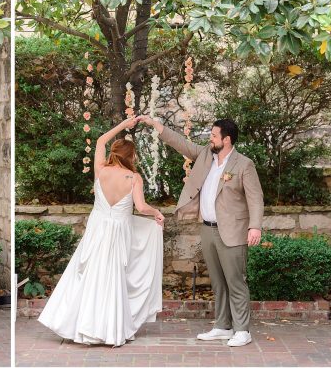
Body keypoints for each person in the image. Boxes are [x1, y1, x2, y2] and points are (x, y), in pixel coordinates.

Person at [37, 115, 164, 347]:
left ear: (115, 153)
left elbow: (99, 142)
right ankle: (109, 329)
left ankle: (83, 327)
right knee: (113, 279)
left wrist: (123, 126)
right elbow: (142, 207)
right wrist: (156, 212)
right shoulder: (134, 178)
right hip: (118, 233)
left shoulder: (101, 170)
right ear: (131, 156)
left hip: (97, 230)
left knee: (90, 276)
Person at [139, 115, 263, 347]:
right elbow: (181, 144)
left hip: (233, 231)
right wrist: (156, 125)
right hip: (207, 229)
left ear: (226, 140)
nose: (210, 138)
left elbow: (256, 198)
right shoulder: (206, 154)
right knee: (217, 281)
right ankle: (223, 327)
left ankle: (242, 330)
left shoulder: (244, 164)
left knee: (236, 281)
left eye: (214, 135)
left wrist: (255, 226)